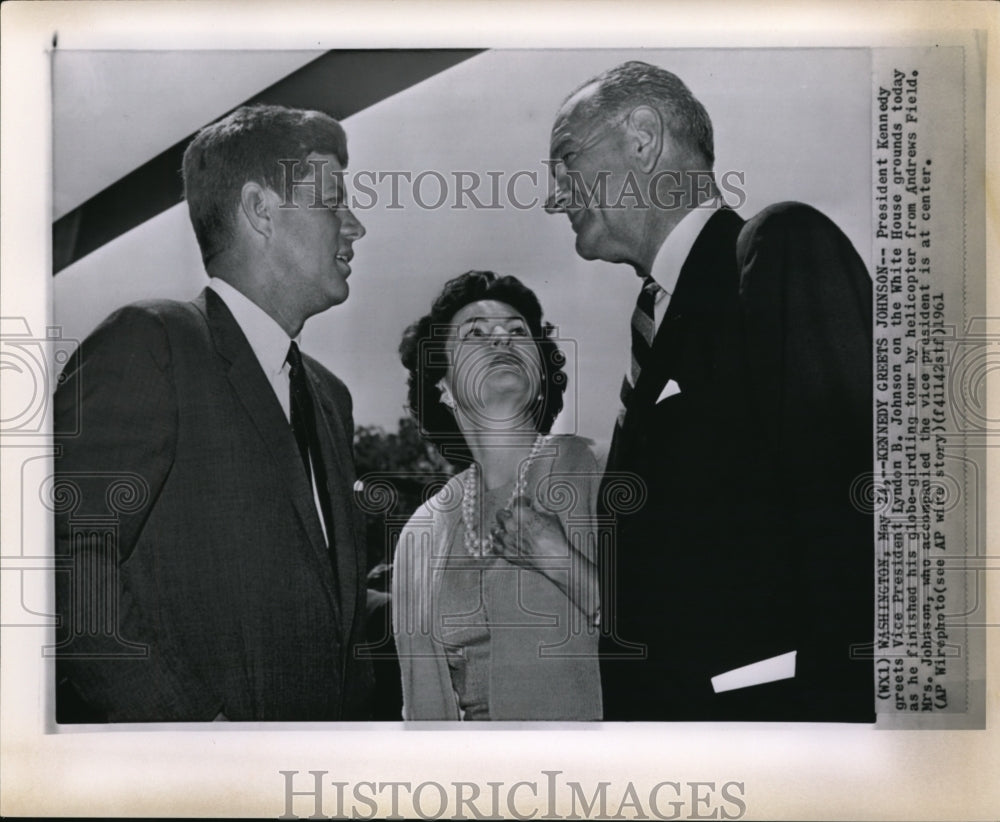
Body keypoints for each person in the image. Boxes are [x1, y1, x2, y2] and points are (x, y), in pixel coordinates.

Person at [545, 61, 874, 721]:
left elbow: (851, 531)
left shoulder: (778, 249)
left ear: (642, 137)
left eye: (566, 163)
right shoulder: (655, 326)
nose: (555, 199)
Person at [53, 104, 373, 722]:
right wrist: (195, 741)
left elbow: (326, 603)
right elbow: (63, 561)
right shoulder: (151, 341)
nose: (355, 225)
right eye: (333, 200)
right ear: (259, 210)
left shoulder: (331, 399)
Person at [392, 271, 602, 720]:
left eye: (516, 332)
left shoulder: (599, 470)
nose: (500, 342)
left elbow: (673, 635)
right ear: (442, 385)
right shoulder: (420, 534)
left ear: (540, 370)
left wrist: (561, 561)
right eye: (475, 335)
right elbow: (421, 707)